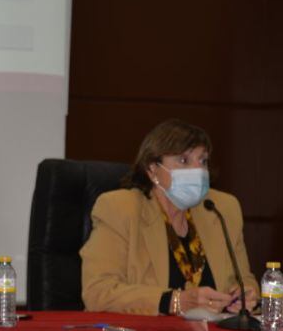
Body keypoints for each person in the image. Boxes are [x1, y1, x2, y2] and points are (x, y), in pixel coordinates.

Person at [80, 119, 257, 316]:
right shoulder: (120, 209)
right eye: (184, 160)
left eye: (203, 161)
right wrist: (175, 301)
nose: (197, 170)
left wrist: (245, 295)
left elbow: (244, 279)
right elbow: (98, 292)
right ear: (153, 169)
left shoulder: (222, 208)